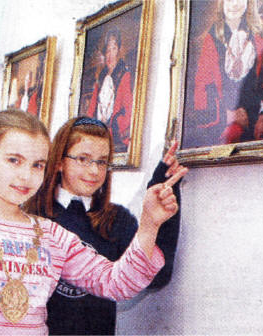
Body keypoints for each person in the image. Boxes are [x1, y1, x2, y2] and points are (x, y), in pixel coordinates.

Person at [0, 109, 186, 335]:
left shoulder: (52, 235)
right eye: (13, 160)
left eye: (37, 165)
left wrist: (150, 224)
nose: (25, 176)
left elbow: (115, 283)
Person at [26, 117, 188, 335]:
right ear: (58, 162)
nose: (94, 171)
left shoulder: (115, 220)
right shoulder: (31, 216)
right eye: (83, 159)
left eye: (102, 162)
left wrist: (161, 192)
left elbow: (158, 275)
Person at [186, 0, 263, 148]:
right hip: (222, 124)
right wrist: (229, 116)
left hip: (256, 119)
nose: (235, 4)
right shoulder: (210, 40)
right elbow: (201, 91)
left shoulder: (258, 36)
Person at [86, 28, 133, 153]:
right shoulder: (100, 78)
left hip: (114, 136)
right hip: (96, 136)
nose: (110, 55)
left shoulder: (124, 75)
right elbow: (92, 110)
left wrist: (115, 126)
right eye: (107, 50)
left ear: (119, 51)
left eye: (114, 49)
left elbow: (128, 110)